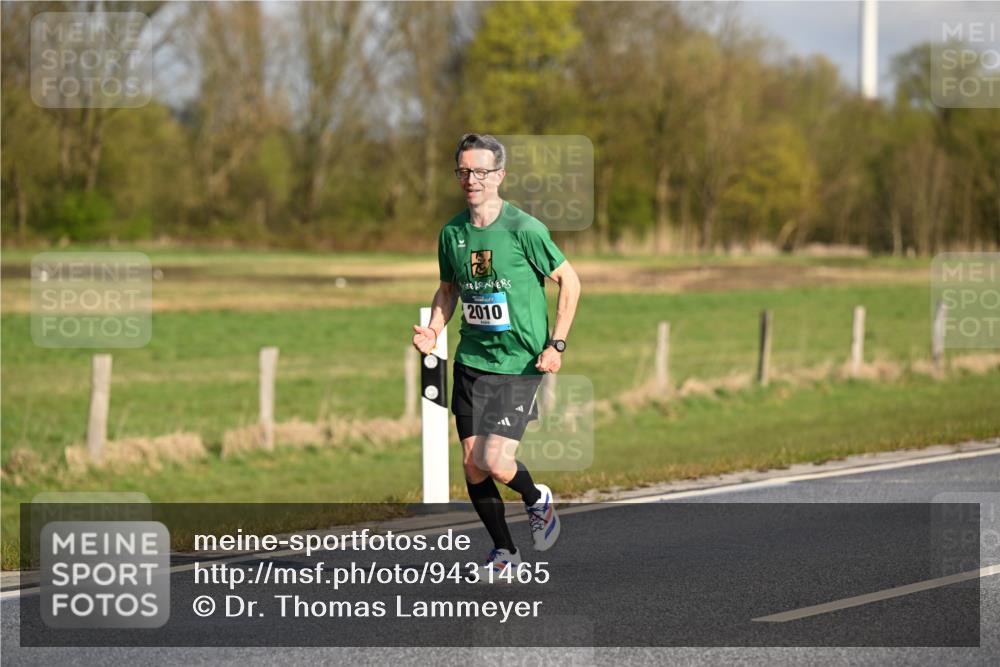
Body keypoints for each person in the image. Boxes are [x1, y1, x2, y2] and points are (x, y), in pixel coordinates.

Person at [412, 133, 581, 579]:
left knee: (494, 461)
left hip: (519, 364)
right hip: (472, 360)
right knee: (471, 465)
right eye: (464, 171)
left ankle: (535, 498)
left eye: (481, 171)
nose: (472, 179)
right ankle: (505, 552)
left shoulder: (524, 229)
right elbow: (448, 290)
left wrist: (556, 344)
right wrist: (433, 329)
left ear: (499, 176)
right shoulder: (452, 233)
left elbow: (571, 282)